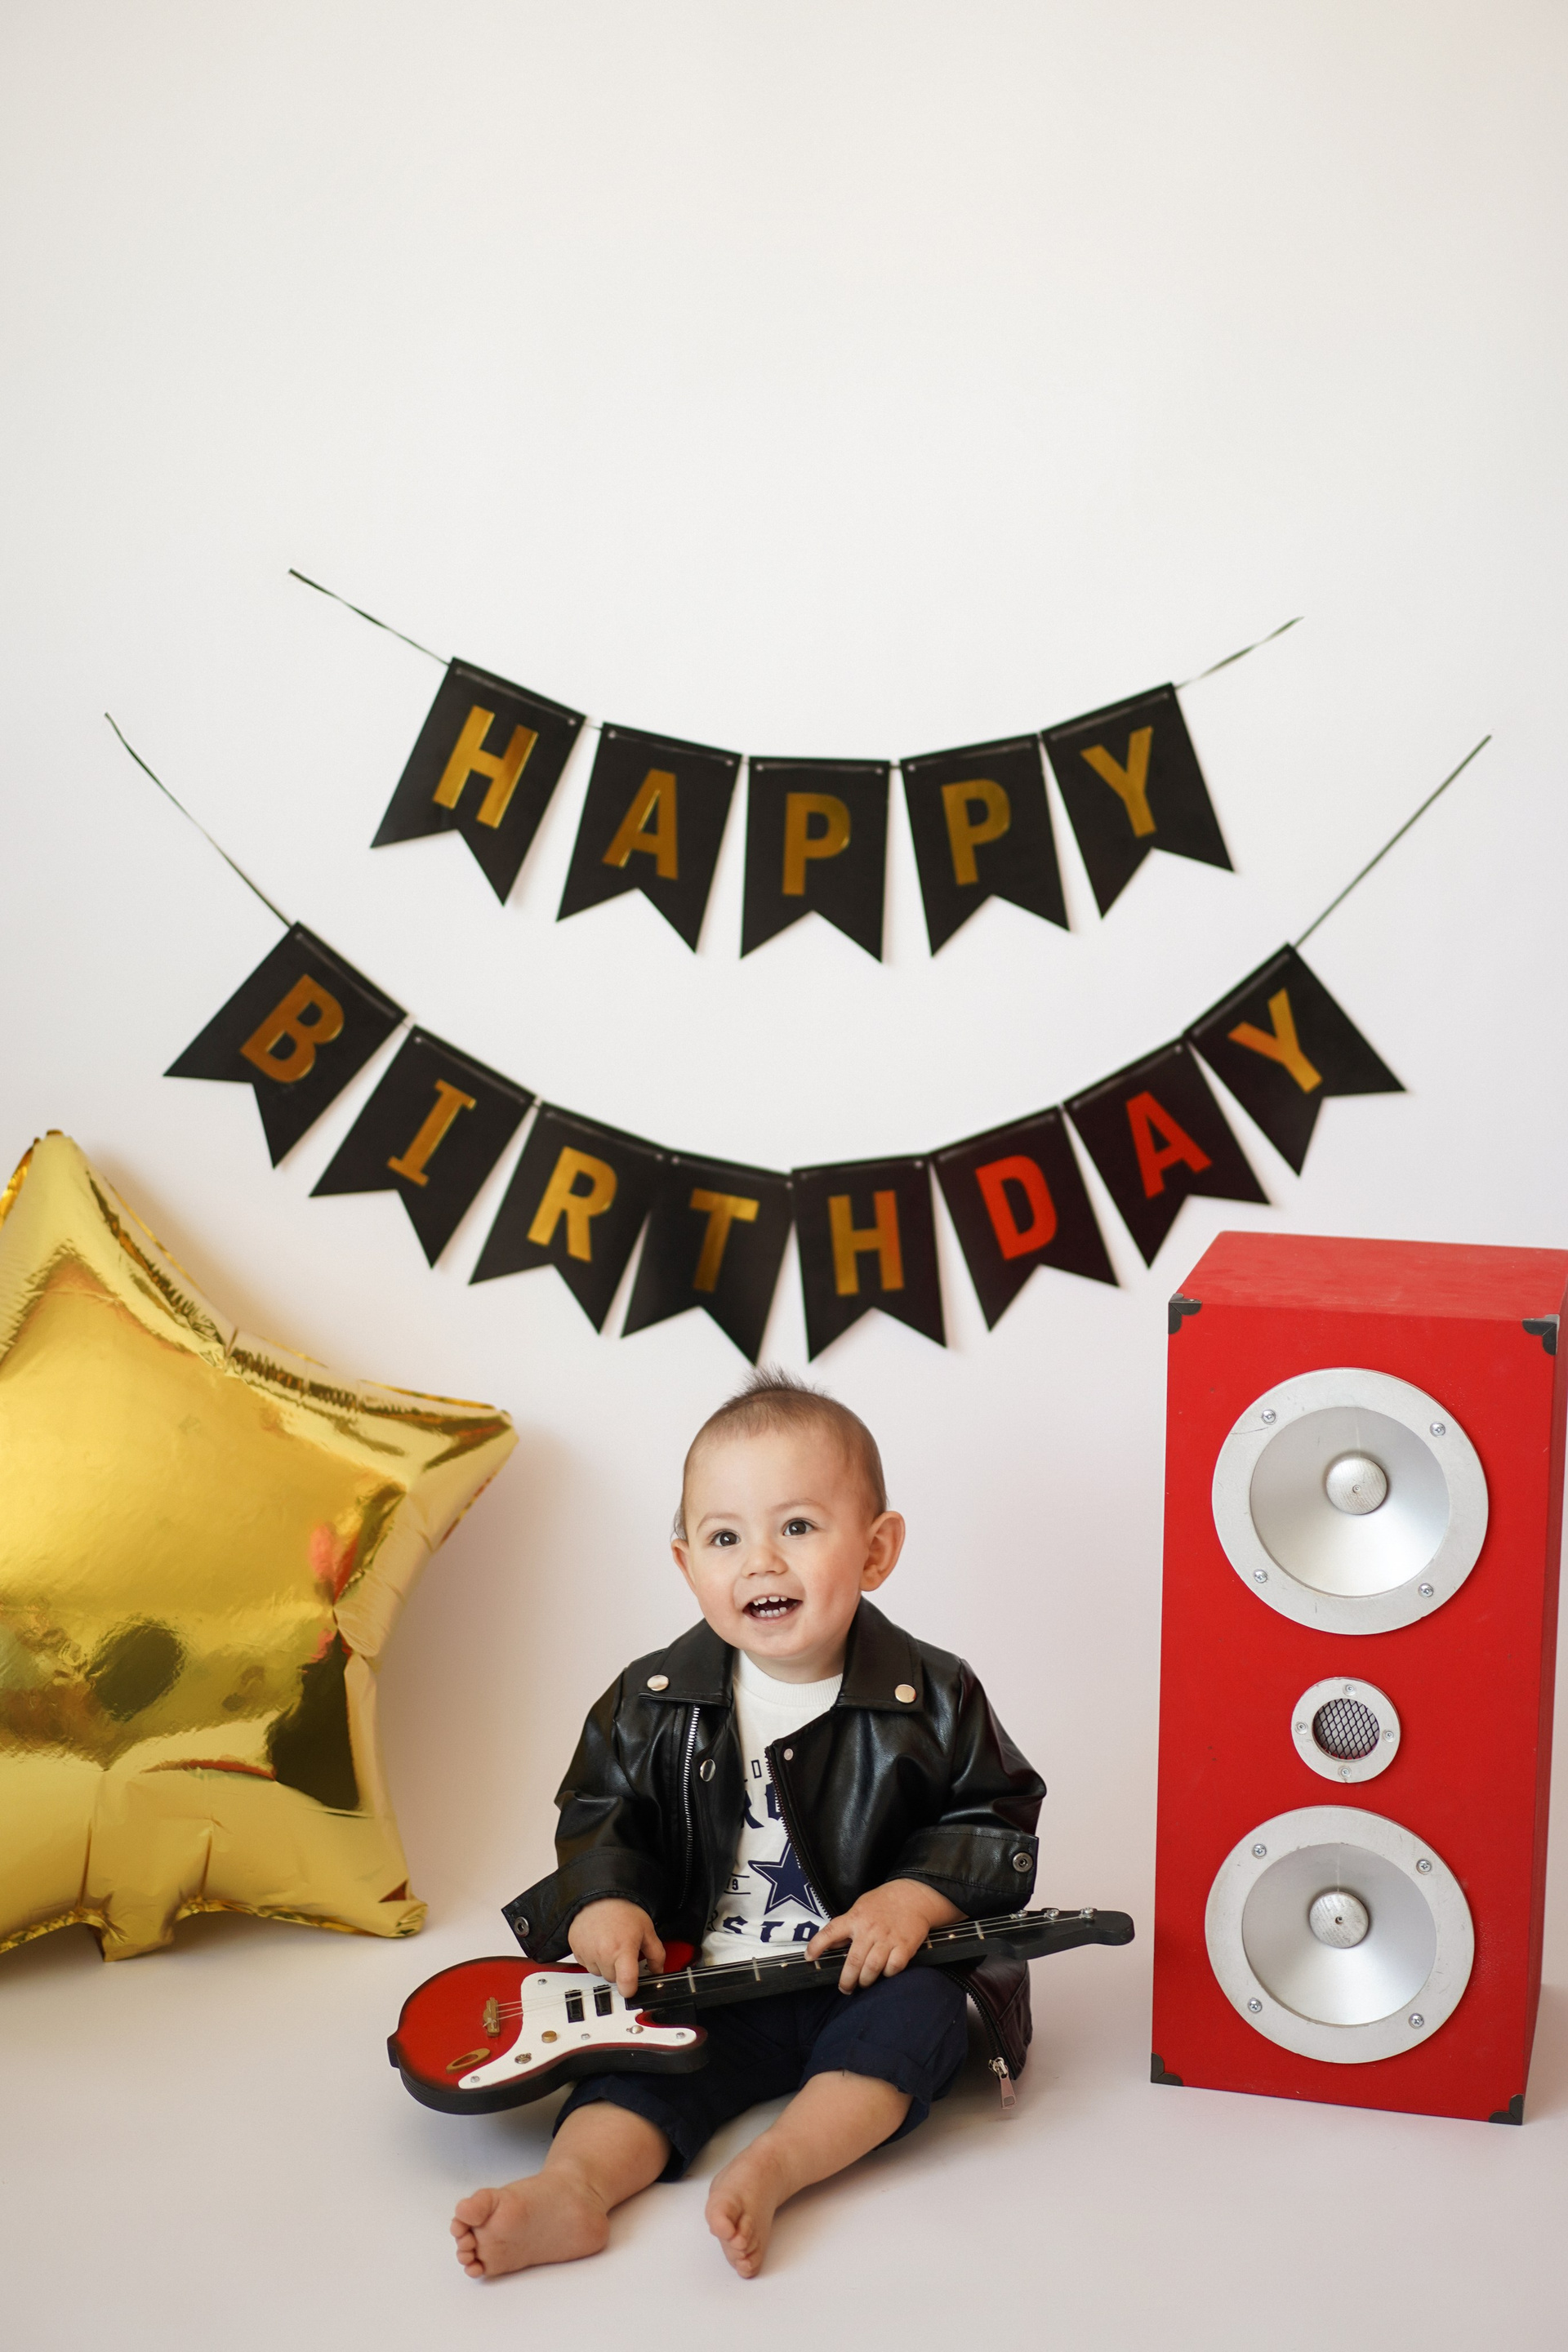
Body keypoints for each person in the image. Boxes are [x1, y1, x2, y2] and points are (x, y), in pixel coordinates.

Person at [451, 1369, 1045, 2281]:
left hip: (860, 1976)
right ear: (687, 1564)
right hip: (704, 1978)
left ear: (876, 1550)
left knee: (914, 2024)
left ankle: (778, 2165)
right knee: (630, 2059)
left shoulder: (932, 1693)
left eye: (797, 1527)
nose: (761, 1561)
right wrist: (604, 1900)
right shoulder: (651, 1699)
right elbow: (602, 1808)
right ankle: (573, 2188)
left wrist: (914, 1899)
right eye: (725, 1537)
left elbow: (994, 1812)